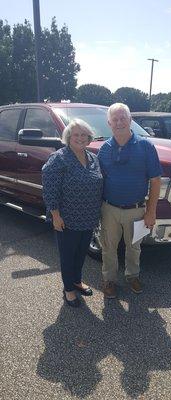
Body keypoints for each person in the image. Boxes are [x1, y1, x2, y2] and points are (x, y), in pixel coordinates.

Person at [98, 103, 162, 298]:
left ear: (130, 120)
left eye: (122, 118)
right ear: (109, 123)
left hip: (136, 209)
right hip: (109, 208)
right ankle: (109, 280)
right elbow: (97, 181)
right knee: (108, 248)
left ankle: (132, 276)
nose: (119, 122)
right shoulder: (104, 149)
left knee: (134, 247)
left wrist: (151, 212)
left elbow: (155, 181)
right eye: (115, 119)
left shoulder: (146, 146)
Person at [42, 119, 103, 308]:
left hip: (88, 218)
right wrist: (56, 215)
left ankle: (77, 281)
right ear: (68, 137)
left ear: (89, 138)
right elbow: (49, 187)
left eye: (83, 135)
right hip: (66, 219)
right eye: (76, 134)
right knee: (68, 255)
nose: (80, 138)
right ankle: (68, 289)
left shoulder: (92, 157)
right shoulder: (59, 158)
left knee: (81, 253)